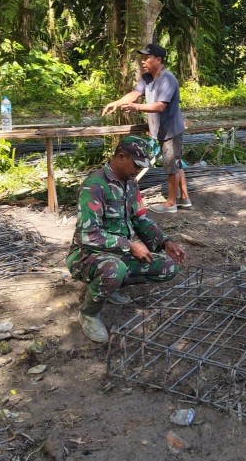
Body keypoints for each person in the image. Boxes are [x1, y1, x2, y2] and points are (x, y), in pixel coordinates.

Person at [65, 135, 187, 343]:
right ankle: (89, 313)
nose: (138, 171)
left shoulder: (130, 184)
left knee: (168, 267)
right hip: (86, 256)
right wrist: (129, 245)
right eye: (136, 165)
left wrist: (165, 242)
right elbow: (88, 235)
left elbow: (140, 218)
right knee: (114, 269)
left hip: (120, 253)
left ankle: (110, 286)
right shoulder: (94, 186)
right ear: (121, 157)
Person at [102, 43, 190, 213]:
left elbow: (160, 106)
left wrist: (136, 107)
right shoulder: (147, 78)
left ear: (158, 59)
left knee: (171, 165)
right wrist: (117, 102)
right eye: (142, 58)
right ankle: (184, 199)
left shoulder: (167, 79)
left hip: (170, 129)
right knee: (176, 164)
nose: (142, 62)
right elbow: (135, 94)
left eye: (146, 58)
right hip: (161, 129)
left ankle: (171, 203)